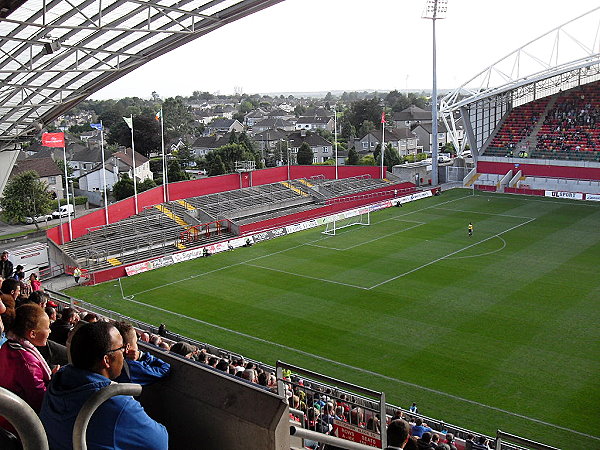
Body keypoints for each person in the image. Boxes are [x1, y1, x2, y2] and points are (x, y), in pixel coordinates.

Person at [40, 321, 169, 449]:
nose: (124, 353)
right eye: (121, 349)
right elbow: (161, 443)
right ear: (106, 360)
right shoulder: (118, 404)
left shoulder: (57, 380)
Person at [0, 304, 53, 431]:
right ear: (33, 334)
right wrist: (53, 382)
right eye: (47, 328)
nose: (50, 331)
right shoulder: (27, 361)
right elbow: (40, 400)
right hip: (18, 426)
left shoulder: (8, 346)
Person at [113, 321, 170, 385]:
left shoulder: (103, 358)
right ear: (127, 348)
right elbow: (165, 369)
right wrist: (142, 355)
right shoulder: (133, 367)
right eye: (136, 342)